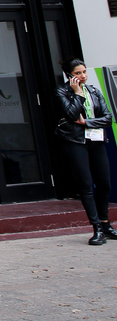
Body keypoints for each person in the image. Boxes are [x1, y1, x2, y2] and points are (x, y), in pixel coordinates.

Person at [54, 59, 116, 245]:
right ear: (70, 76)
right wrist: (78, 94)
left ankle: (106, 224)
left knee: (105, 184)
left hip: (96, 141)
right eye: (78, 73)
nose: (83, 76)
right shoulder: (62, 91)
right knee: (86, 186)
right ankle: (96, 228)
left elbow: (108, 118)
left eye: (84, 72)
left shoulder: (95, 91)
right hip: (75, 142)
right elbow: (71, 114)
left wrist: (86, 123)